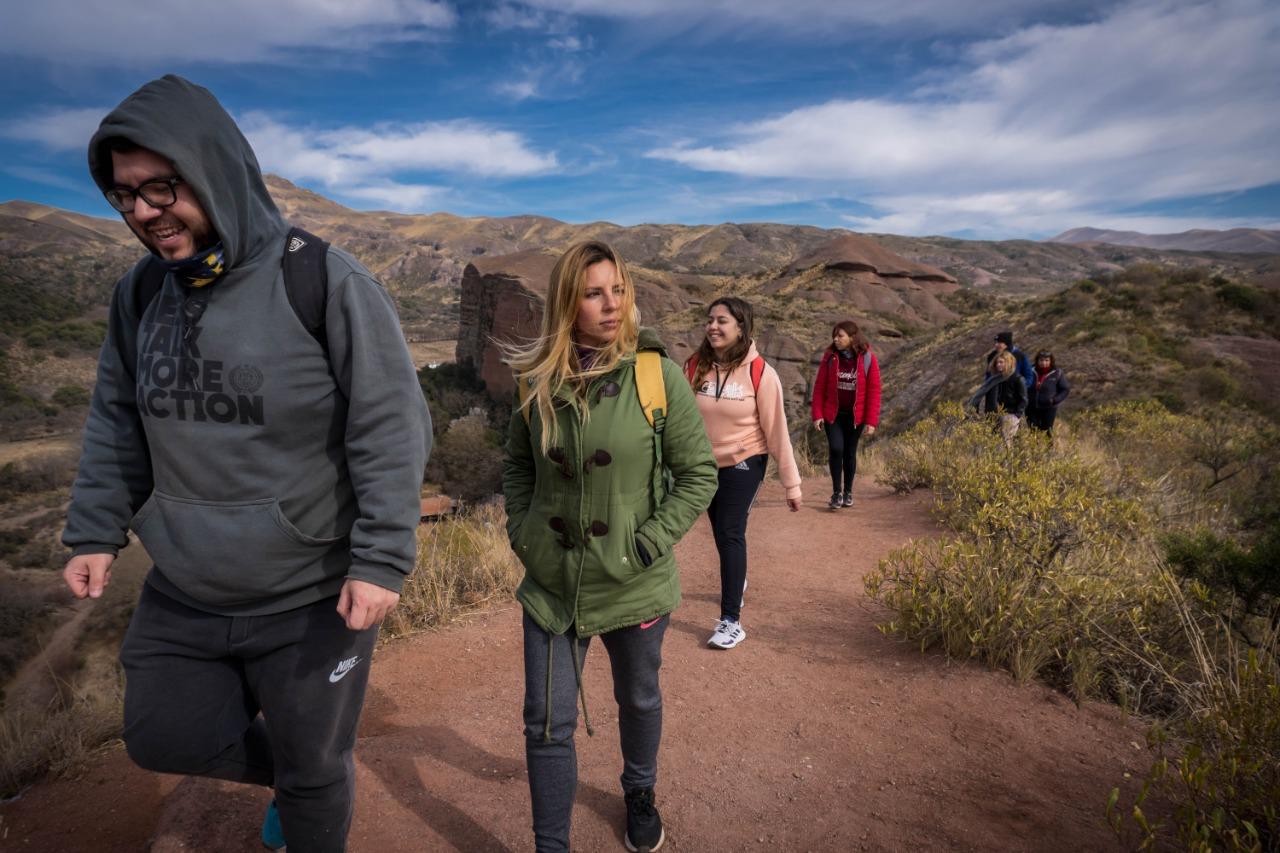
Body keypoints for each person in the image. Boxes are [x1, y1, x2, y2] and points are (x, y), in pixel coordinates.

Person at [60, 76, 430, 853]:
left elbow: (390, 424)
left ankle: (308, 786)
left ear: (215, 168)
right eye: (124, 195)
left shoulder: (323, 280)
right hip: (186, 588)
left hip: (310, 592)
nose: (143, 212)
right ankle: (299, 776)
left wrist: (383, 557)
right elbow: (118, 416)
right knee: (163, 738)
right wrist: (95, 525)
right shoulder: (140, 294)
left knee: (315, 768)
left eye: (162, 186)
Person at [502, 241, 716, 853]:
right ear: (566, 303)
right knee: (546, 723)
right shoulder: (535, 378)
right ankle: (552, 846)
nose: (611, 304)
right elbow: (517, 467)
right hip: (551, 582)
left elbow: (699, 473)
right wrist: (525, 533)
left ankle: (639, 791)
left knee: (639, 694)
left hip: (634, 577)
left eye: (618, 290)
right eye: (595, 293)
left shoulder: (657, 376)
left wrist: (648, 544)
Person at [685, 296, 801, 650]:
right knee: (721, 532)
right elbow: (678, 419)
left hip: (745, 460)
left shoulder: (761, 373)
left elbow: (777, 429)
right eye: (710, 319)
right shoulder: (694, 366)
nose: (713, 326)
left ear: (741, 327)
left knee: (731, 531)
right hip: (704, 464)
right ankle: (739, 579)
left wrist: (791, 483)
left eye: (722, 320)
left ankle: (731, 621)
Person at [810, 320, 882, 509]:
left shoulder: (867, 359)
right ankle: (836, 493)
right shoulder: (830, 357)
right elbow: (819, 387)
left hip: (855, 417)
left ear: (852, 337)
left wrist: (871, 421)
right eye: (834, 335)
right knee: (836, 449)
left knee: (849, 453)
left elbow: (874, 391)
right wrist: (817, 414)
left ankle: (848, 492)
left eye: (840, 336)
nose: (836, 339)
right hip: (833, 414)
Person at [968, 349, 1028, 441]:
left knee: (1007, 443)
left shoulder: (1017, 379)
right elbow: (982, 396)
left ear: (1009, 362)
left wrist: (1016, 415)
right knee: (994, 442)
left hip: (1010, 415)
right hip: (993, 416)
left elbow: (1023, 400)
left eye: (1001, 362)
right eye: (997, 362)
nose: (998, 364)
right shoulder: (993, 380)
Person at [1026, 350, 1070, 433]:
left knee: (1047, 432)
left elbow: (1065, 389)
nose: (1043, 363)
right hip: (1031, 407)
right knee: (1033, 432)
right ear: (1037, 360)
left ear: (1051, 361)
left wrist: (1054, 400)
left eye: (1046, 360)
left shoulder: (1057, 373)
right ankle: (1034, 446)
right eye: (1041, 360)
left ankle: (1048, 446)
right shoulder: (1030, 371)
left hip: (1048, 408)